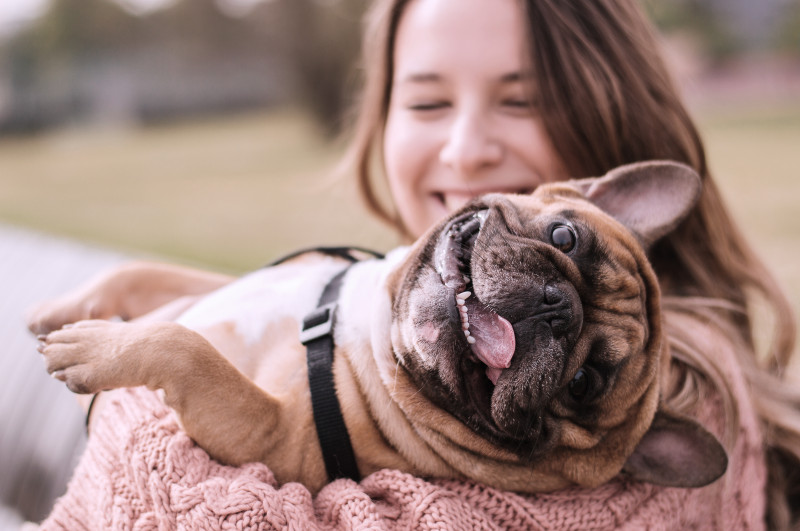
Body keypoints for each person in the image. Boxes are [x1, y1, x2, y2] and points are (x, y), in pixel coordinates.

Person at [29, 0, 799, 528]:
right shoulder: (392, 299)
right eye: (428, 103)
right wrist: (150, 288)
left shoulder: (686, 402)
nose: (465, 149)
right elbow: (272, 308)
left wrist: (127, 395)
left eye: (519, 101)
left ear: (612, 114)